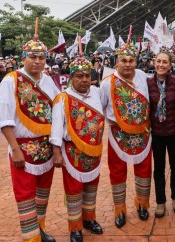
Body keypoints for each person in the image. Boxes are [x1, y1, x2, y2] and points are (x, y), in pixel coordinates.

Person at [0, 29, 59, 242]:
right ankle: (31, 238)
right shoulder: (11, 80)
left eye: (41, 57)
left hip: (46, 148)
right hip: (22, 148)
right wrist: (15, 149)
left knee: (42, 193)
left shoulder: (48, 81)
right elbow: (5, 118)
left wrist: (56, 147)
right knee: (25, 196)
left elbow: (57, 111)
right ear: (23, 58)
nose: (37, 61)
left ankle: (39, 230)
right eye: (32, 57)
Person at [50, 56, 105, 242]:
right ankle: (75, 227)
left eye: (87, 76)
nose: (84, 80)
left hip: (94, 150)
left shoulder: (97, 93)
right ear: (71, 78)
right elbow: (56, 128)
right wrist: (57, 153)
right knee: (74, 189)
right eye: (79, 76)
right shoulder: (63, 98)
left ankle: (89, 219)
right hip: (72, 152)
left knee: (91, 186)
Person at [100, 41, 152, 228]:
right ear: (116, 62)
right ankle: (119, 208)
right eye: (124, 60)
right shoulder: (107, 83)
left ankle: (142, 204)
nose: (128, 64)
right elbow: (101, 109)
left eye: (131, 60)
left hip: (143, 134)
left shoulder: (143, 77)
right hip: (118, 135)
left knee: (144, 170)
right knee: (117, 171)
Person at [147, 51, 175, 218]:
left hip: (174, 131)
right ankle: (160, 202)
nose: (161, 64)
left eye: (165, 62)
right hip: (157, 133)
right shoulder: (147, 83)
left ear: (170, 65)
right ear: (154, 63)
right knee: (158, 168)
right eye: (158, 61)